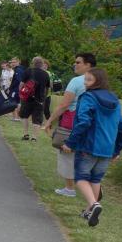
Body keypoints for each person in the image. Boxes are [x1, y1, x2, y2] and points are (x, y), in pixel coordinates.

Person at [62, 68, 122, 227]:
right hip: (107, 148)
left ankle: (94, 205)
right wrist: (117, 149)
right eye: (85, 79)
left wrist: (70, 142)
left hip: (88, 146)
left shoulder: (88, 97)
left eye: (89, 80)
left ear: (98, 81)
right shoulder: (115, 99)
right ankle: (90, 211)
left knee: (81, 178)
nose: (85, 83)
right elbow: (121, 127)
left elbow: (83, 122)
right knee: (95, 179)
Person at [43, 53, 95, 197]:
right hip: (92, 124)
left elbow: (64, 104)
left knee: (67, 153)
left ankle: (69, 188)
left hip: (72, 122)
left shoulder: (76, 81)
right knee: (86, 156)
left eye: (78, 62)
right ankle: (91, 188)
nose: (75, 64)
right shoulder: (100, 81)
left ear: (88, 65)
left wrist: (49, 121)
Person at [19, 56, 50, 141]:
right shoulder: (45, 74)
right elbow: (47, 88)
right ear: (42, 64)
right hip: (39, 99)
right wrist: (44, 97)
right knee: (37, 119)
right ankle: (34, 137)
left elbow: (21, 84)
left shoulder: (28, 71)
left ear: (33, 63)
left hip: (27, 98)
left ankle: (25, 134)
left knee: (24, 116)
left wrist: (21, 93)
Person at [9, 57, 26, 121]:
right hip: (17, 89)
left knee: (13, 102)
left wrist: (11, 88)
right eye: (12, 62)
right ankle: (17, 117)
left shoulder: (18, 70)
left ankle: (16, 117)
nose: (13, 63)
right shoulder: (19, 69)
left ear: (18, 62)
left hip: (16, 89)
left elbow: (18, 81)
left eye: (14, 62)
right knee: (18, 103)